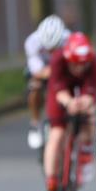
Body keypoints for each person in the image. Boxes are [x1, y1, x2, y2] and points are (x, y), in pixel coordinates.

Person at [41, 32, 96, 191]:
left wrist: (84, 102)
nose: (79, 68)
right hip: (61, 93)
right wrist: (69, 103)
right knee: (57, 134)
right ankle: (51, 189)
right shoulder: (58, 60)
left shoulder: (94, 64)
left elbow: (90, 94)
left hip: (81, 92)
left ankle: (85, 153)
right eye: (74, 64)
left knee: (90, 115)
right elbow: (58, 91)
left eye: (83, 64)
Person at [23, 15, 70, 149]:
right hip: (42, 70)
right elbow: (37, 70)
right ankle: (35, 123)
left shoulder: (69, 39)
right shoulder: (32, 42)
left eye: (54, 48)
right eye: (48, 49)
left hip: (62, 70)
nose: (51, 51)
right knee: (34, 88)